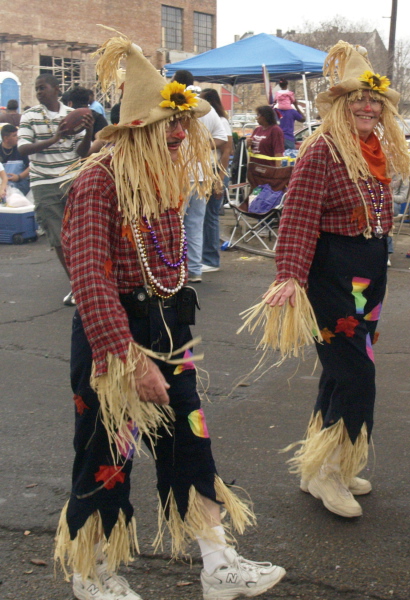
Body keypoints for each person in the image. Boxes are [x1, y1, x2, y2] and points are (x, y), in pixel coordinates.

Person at [56, 34, 285, 600]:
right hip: (115, 341)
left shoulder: (167, 174)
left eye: (182, 125)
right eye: (167, 126)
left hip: (168, 328)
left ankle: (218, 564)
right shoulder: (99, 180)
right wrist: (129, 361)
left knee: (191, 440)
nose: (180, 134)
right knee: (108, 449)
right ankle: (95, 572)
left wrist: (167, 336)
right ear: (137, 129)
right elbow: (89, 280)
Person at [258, 42, 410, 518]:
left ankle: (319, 466)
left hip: (370, 271)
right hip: (332, 273)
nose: (367, 107)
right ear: (341, 106)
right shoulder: (321, 148)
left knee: (341, 370)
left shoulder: (377, 149)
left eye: (373, 101)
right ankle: (329, 473)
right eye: (356, 100)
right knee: (355, 374)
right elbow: (299, 219)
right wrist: (288, 277)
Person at [17, 73, 93, 305]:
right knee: (59, 237)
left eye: (43, 87)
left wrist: (88, 131)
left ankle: (89, 281)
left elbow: (81, 153)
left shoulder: (71, 116)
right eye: (37, 88)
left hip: (71, 178)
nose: (39, 92)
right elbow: (23, 149)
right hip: (43, 182)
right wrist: (54, 138)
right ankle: (77, 286)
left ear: (57, 89)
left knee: (80, 234)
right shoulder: (30, 116)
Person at [171, 70, 228, 283]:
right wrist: (201, 148)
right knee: (195, 224)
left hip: (179, 174)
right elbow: (221, 139)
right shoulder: (208, 110)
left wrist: (195, 147)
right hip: (201, 175)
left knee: (175, 222)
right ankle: (194, 269)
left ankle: (179, 269)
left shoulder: (171, 107)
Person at [198, 88, 233, 274]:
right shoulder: (216, 120)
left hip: (216, 172)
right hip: (209, 170)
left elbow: (227, 150)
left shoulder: (220, 121)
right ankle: (206, 256)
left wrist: (220, 178)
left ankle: (211, 258)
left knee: (210, 216)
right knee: (204, 217)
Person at [0, 124, 30, 196]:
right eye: (14, 135)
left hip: (21, 189)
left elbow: (32, 166)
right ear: (6, 138)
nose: (18, 137)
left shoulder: (21, 149)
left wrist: (19, 177)